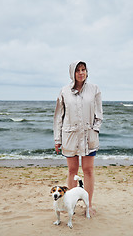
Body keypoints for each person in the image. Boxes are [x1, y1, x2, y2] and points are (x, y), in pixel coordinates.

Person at [53, 60, 103, 216]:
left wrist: (95, 130)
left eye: (84, 70)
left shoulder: (94, 89)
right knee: (72, 170)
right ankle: (71, 205)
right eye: (78, 70)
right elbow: (58, 117)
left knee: (88, 170)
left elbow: (99, 114)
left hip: (89, 137)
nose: (81, 73)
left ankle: (89, 205)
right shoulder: (64, 91)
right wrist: (57, 139)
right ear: (72, 73)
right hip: (70, 136)